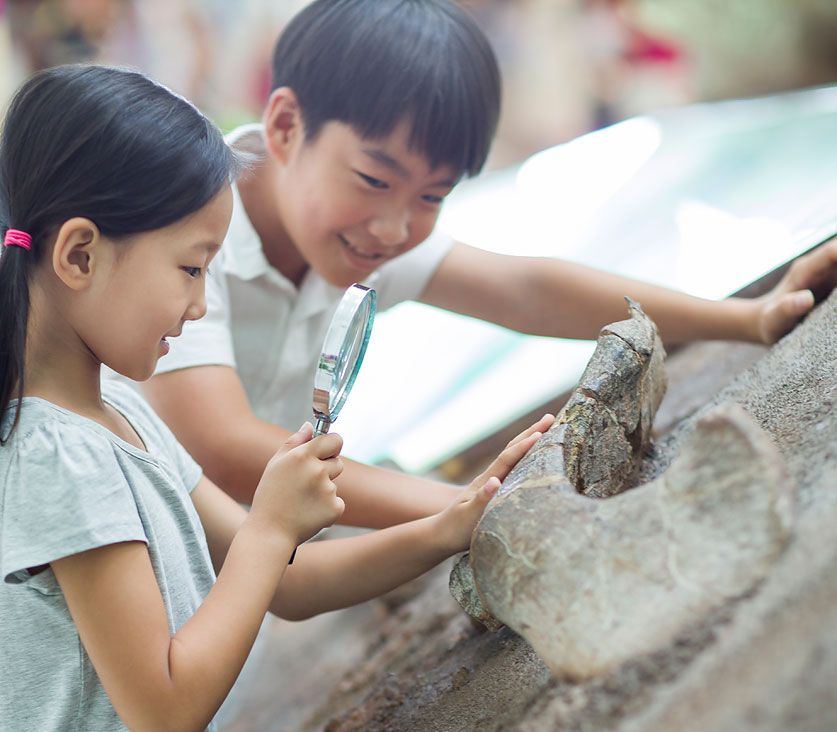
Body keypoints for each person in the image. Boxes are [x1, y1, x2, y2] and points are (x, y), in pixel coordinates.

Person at [0, 63, 550, 732]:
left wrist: (449, 525)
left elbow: (284, 589)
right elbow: (165, 709)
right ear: (79, 253)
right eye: (190, 266)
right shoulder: (53, 461)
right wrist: (265, 529)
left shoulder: (119, 409)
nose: (200, 303)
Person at [137, 0, 837, 521]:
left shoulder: (346, 223)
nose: (394, 226)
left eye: (432, 195)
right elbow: (225, 444)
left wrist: (750, 317)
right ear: (287, 126)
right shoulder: (184, 229)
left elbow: (523, 289)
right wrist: (479, 505)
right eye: (375, 179)